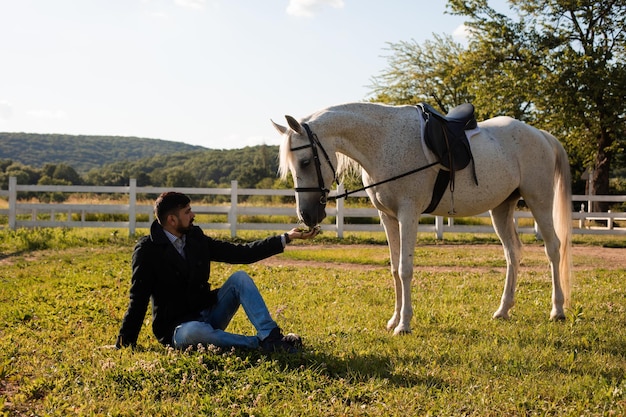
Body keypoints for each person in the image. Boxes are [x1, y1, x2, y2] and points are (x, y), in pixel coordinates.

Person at [114, 191, 318, 353]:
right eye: (187, 212)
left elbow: (242, 253)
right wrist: (124, 342)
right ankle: (258, 344)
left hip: (208, 313)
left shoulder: (195, 237)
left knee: (239, 278)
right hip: (178, 330)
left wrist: (286, 238)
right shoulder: (147, 251)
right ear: (172, 220)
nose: (193, 215)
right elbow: (137, 300)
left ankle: (271, 337)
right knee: (194, 332)